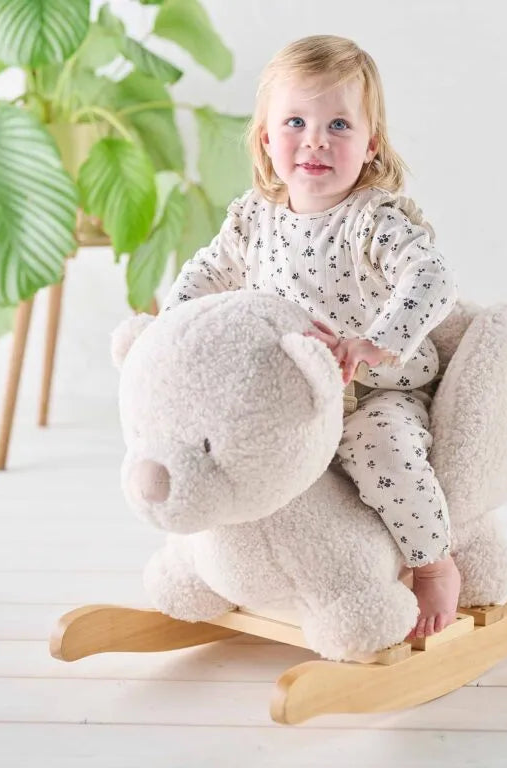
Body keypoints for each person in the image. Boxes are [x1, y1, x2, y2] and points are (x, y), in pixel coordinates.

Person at [162, 35, 461, 639]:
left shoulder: (372, 219)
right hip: (296, 395)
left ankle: (433, 562)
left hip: (376, 388)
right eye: (296, 121)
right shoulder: (255, 217)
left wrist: (374, 343)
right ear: (267, 138)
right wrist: (171, 329)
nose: (316, 140)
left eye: (340, 125)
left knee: (378, 448)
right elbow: (204, 274)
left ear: (371, 142)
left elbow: (432, 279)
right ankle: (207, 565)